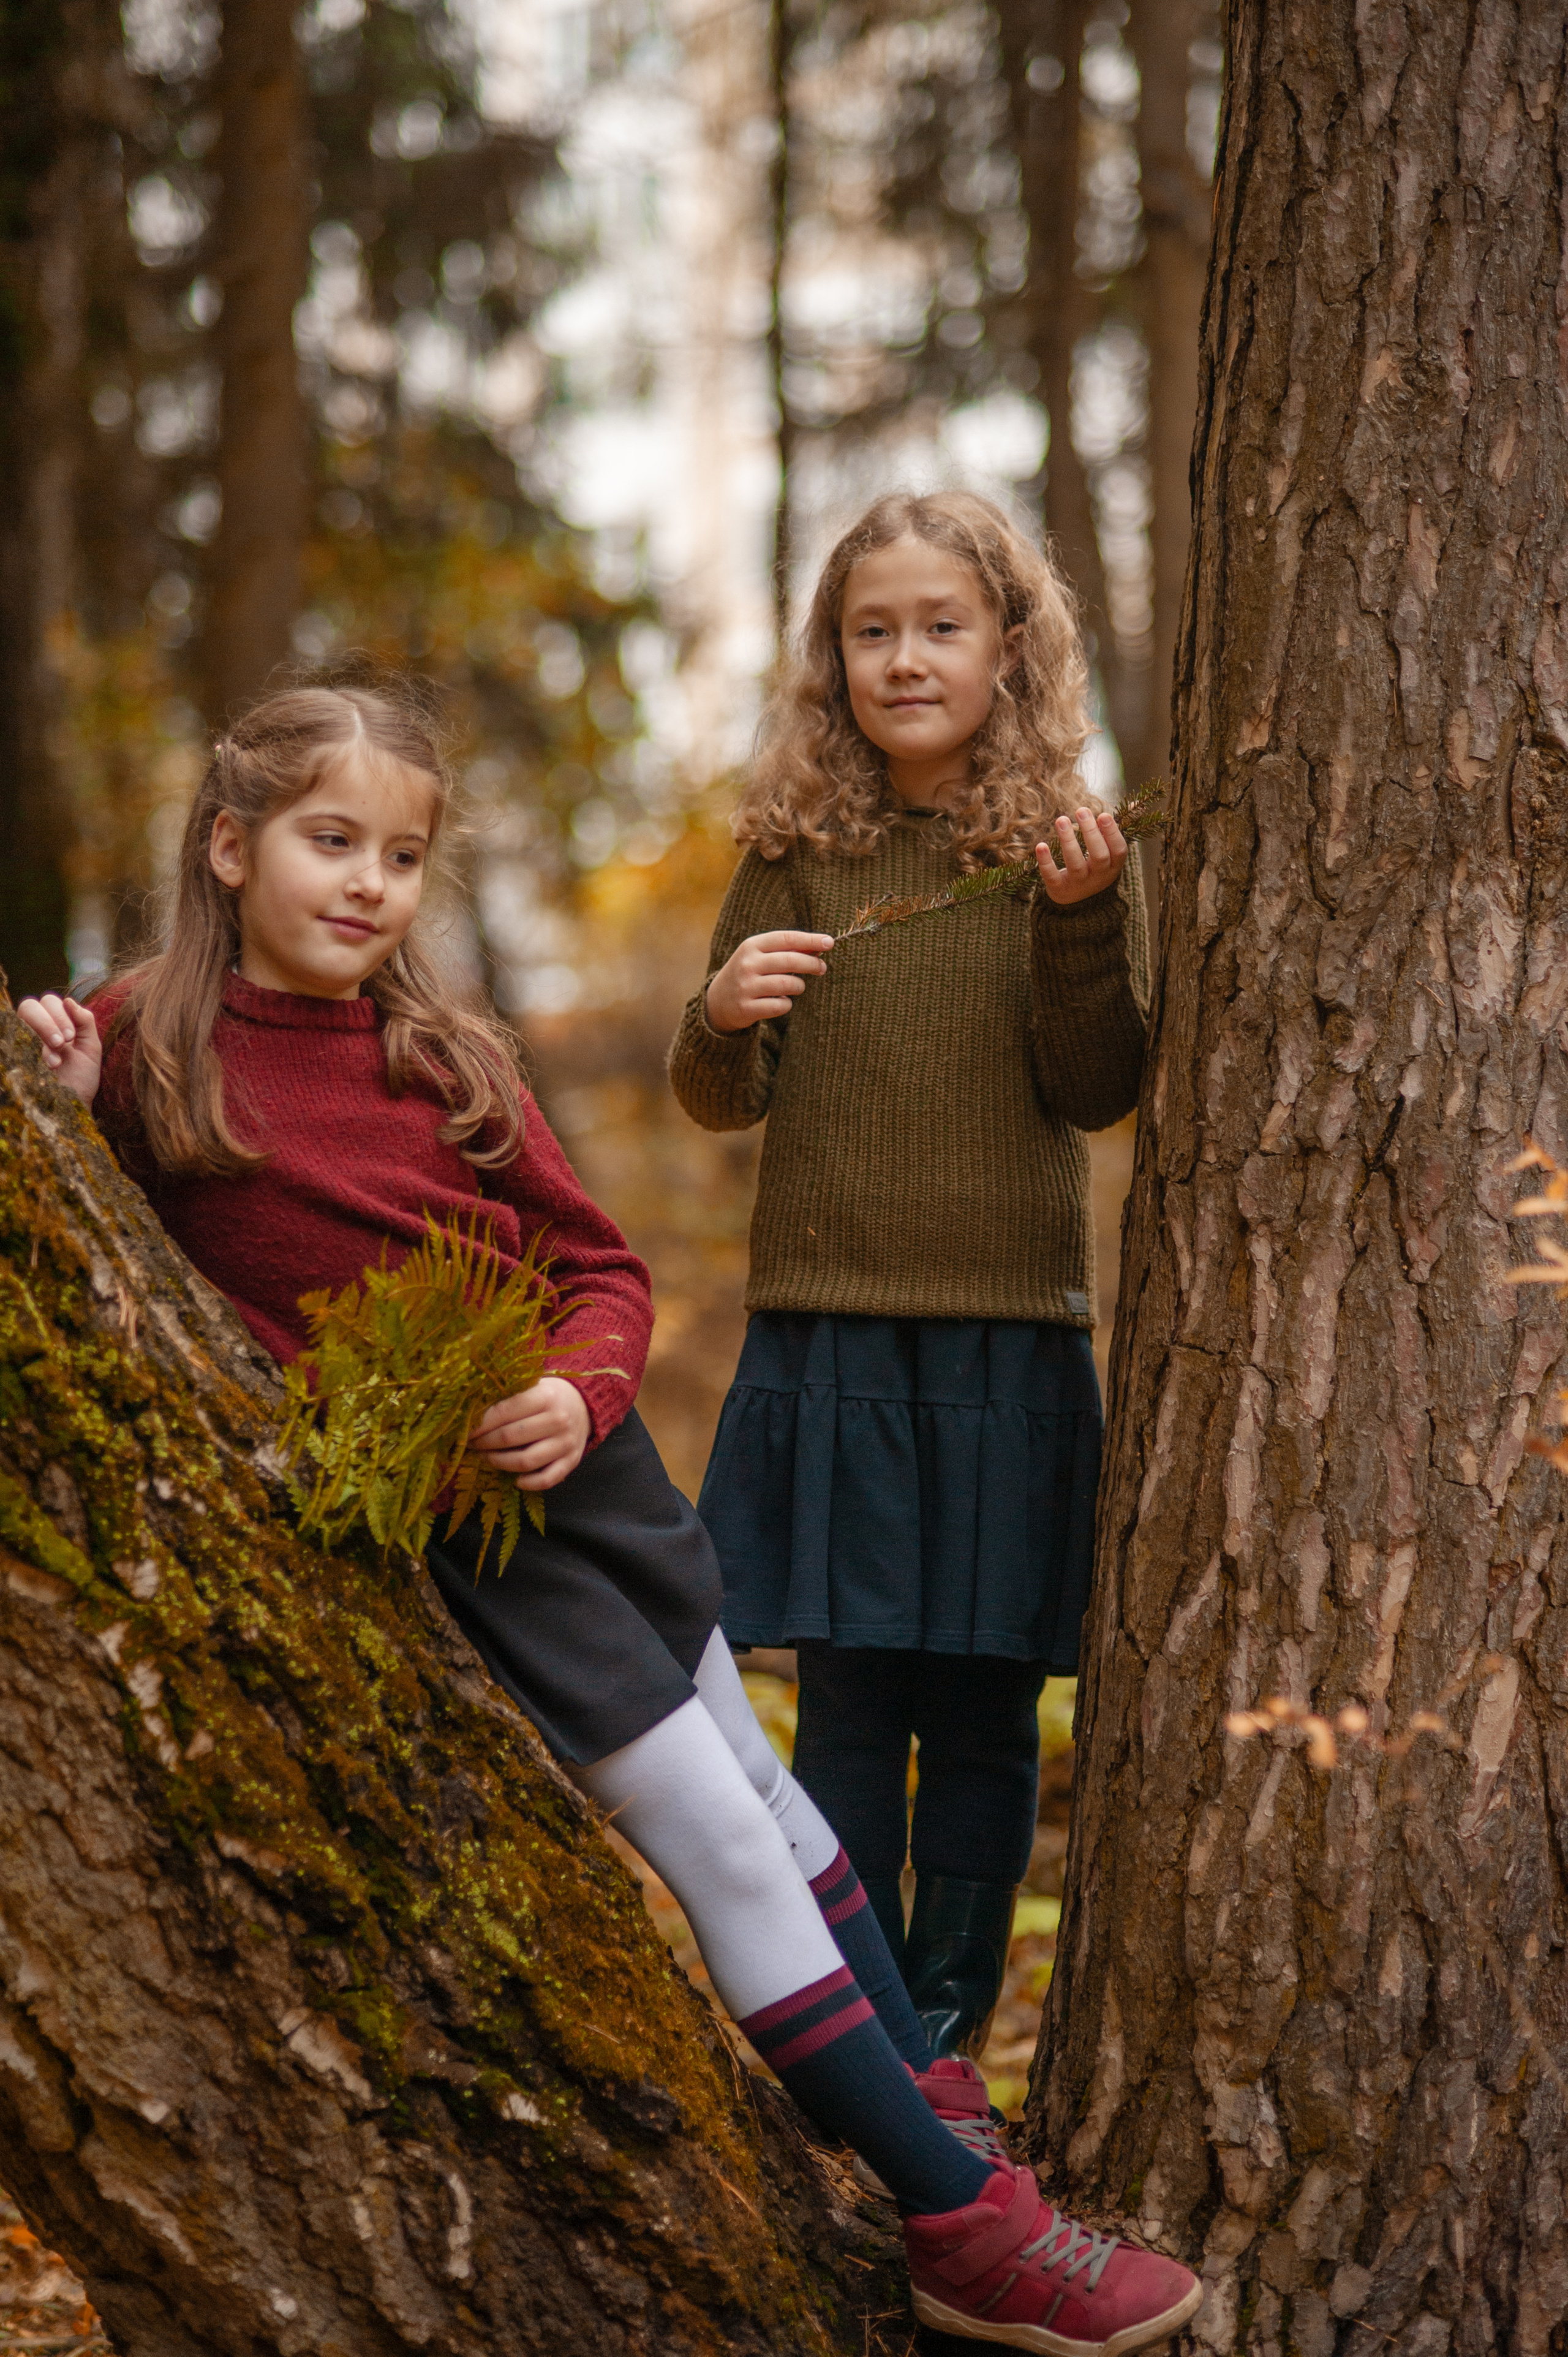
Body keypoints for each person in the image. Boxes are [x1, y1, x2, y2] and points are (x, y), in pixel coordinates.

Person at [19, 676, 1197, 2353]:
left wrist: (581, 1390)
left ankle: (923, 2109)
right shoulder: (146, 1040)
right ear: (228, 847)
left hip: (594, 1482)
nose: (367, 883)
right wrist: (59, 1129)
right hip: (466, 1526)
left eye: (403, 855)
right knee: (711, 1838)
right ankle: (966, 2228)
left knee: (774, 1801)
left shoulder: (444, 1048)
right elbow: (108, 1271)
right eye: (327, 840)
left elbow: (598, 1267)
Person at [669, 489, 1147, 2067]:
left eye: (941, 626)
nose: (905, 658)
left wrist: (1083, 928)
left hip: (1006, 1337)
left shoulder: (1059, 850)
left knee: (990, 1706)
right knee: (858, 1703)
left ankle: (950, 2013)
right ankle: (862, 2008)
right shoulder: (799, 850)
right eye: (872, 632)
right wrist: (723, 1009)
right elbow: (718, 1098)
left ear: (1011, 647)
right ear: (833, 661)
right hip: (835, 1329)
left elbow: (1096, 1088)